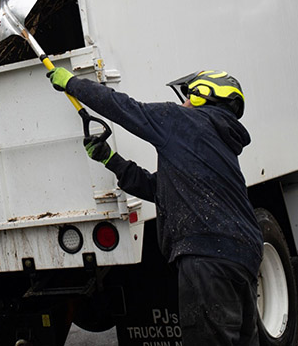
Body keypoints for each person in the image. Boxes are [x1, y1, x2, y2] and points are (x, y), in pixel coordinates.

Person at [47, 67, 263, 346]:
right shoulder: (218, 141)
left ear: (203, 95)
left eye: (188, 95)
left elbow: (123, 107)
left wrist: (73, 84)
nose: (183, 101)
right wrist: (110, 159)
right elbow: (158, 189)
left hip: (207, 257)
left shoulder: (183, 121)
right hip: (243, 256)